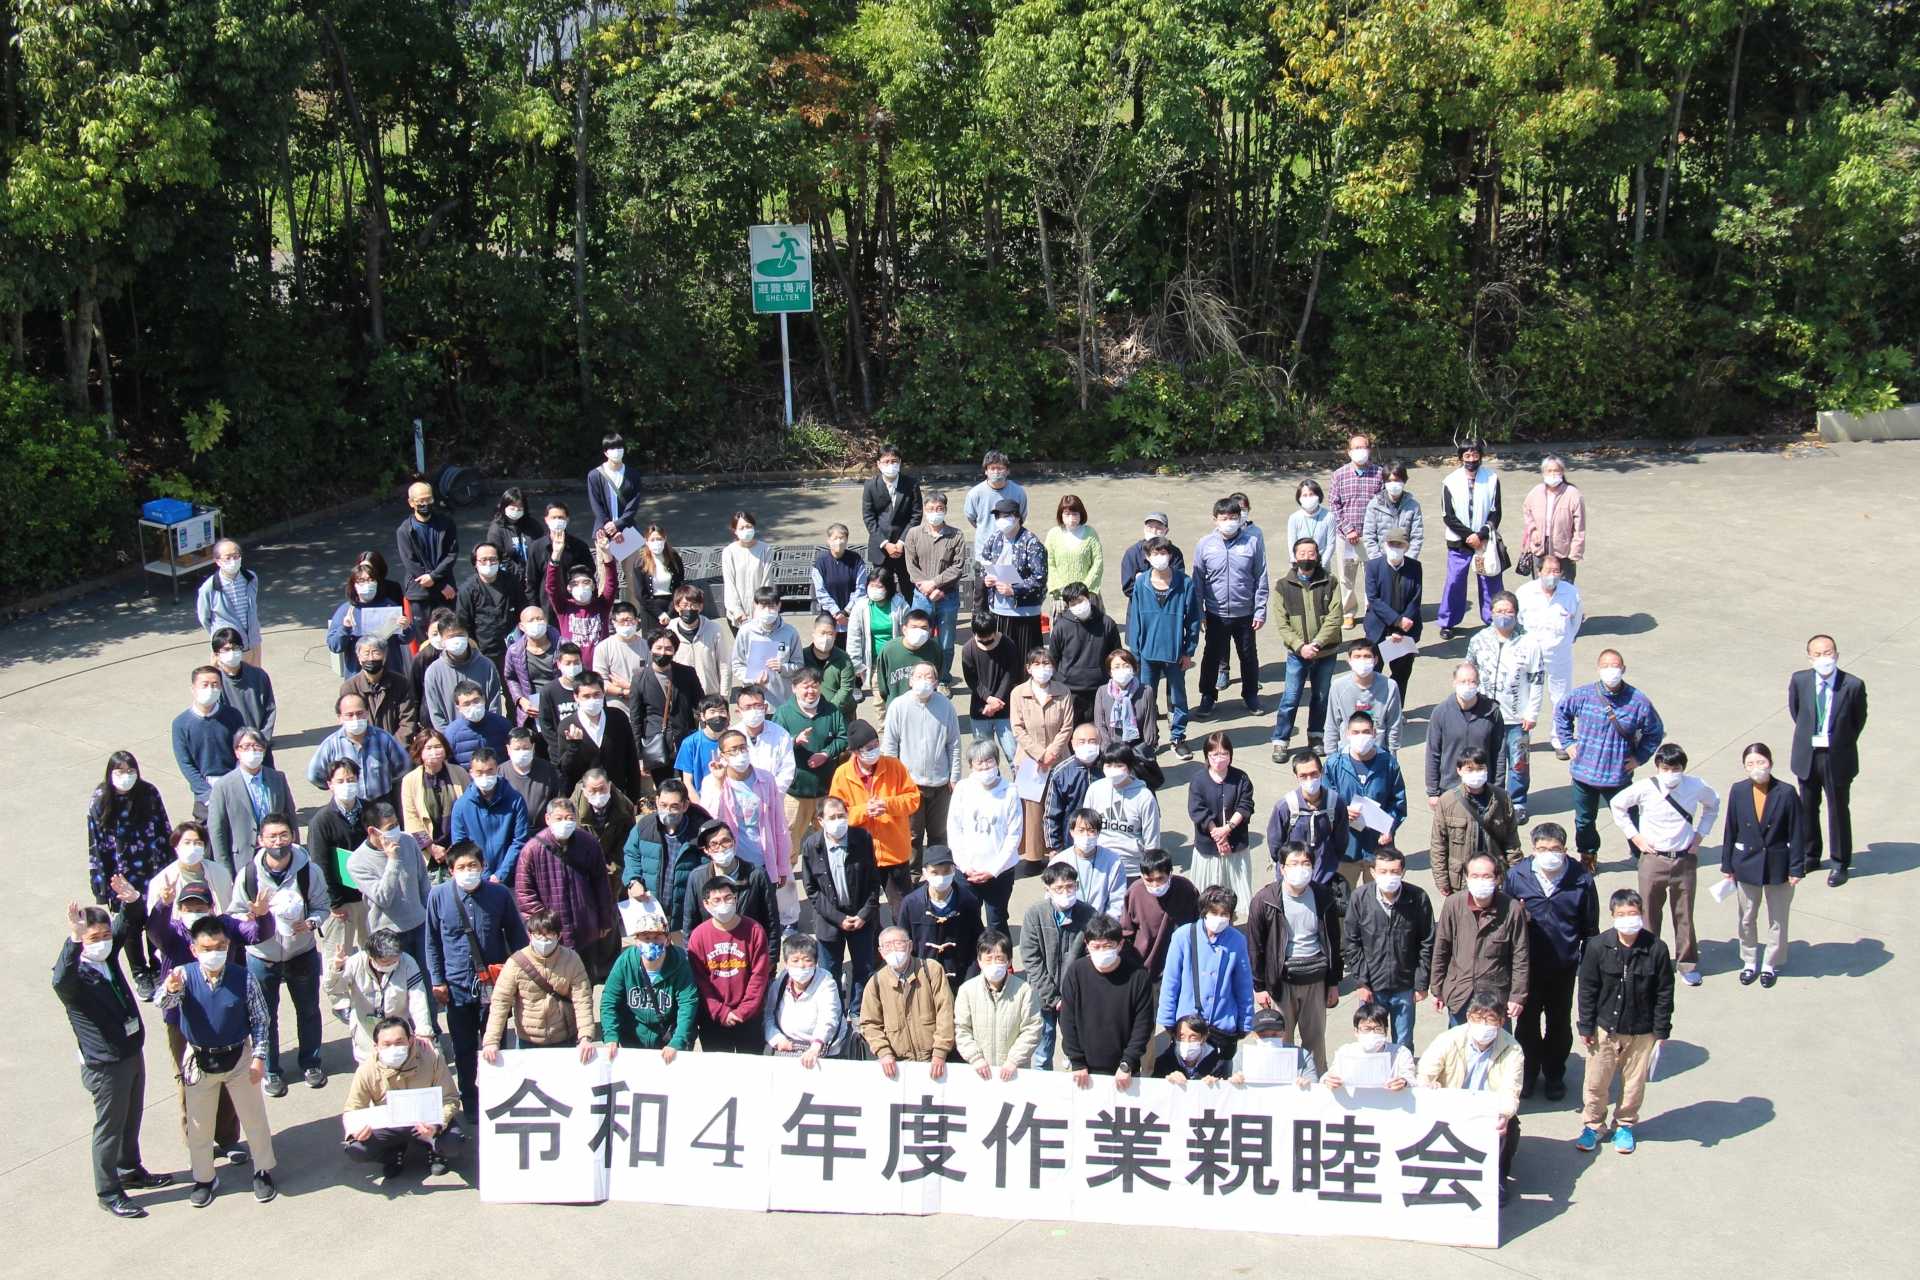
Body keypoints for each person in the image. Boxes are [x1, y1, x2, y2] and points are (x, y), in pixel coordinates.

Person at [55, 891, 173, 1217]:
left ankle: (130, 1168)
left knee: (131, 1117)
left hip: (131, 1052)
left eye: (105, 936)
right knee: (109, 1128)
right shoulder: (75, 976)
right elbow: (59, 980)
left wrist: (132, 900)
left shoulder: (106, 959)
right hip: (106, 1065)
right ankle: (108, 1191)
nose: (103, 942)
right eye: (95, 937)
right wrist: (74, 940)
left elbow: (127, 924)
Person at [157, 917, 280, 1206]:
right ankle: (204, 1177)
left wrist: (259, 1057)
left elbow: (261, 1019)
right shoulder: (181, 975)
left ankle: (262, 1169)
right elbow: (162, 1004)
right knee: (199, 1123)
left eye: (221, 946)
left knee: (254, 1117)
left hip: (239, 1056)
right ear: (194, 949)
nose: (215, 952)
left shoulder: (244, 977)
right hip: (199, 1059)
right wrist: (171, 990)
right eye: (208, 947)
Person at [228, 815, 330, 1096]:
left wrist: (311, 923)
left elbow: (323, 907)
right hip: (262, 956)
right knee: (265, 1016)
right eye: (272, 836)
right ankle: (271, 1071)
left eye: (283, 835)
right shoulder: (248, 875)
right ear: (261, 840)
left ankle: (311, 1062)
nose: (278, 842)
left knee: (308, 1010)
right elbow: (233, 914)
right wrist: (253, 917)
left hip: (302, 951)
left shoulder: (309, 871)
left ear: (292, 837)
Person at [424, 844, 528, 1118]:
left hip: (494, 986)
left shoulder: (499, 894)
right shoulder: (438, 896)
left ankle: (499, 1097)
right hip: (456, 986)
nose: (468, 872)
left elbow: (517, 938)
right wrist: (437, 980)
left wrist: (520, 977)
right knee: (464, 1048)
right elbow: (432, 941)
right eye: (461, 867)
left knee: (495, 1043)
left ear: (482, 867)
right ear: (450, 870)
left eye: (473, 866)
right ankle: (470, 1101)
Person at [1610, 742, 1720, 987]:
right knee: (1648, 914)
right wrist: (1635, 837)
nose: (1670, 773)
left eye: (1675, 768)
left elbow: (1713, 805)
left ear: (1683, 768)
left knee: (1684, 915)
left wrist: (1700, 835)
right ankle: (1649, 962)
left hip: (1684, 858)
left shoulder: (1696, 786)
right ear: (1658, 767)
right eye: (1665, 768)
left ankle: (1687, 964)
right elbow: (1618, 805)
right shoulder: (1645, 788)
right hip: (1653, 859)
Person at [1575, 890, 1675, 1156]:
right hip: (1604, 1028)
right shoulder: (1597, 946)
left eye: (1632, 914)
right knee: (1596, 1082)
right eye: (1621, 915)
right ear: (1612, 916)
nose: (1627, 919)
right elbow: (1587, 988)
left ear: (1641, 914)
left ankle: (1625, 1124)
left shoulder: (1657, 949)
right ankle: (1593, 1125)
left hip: (1642, 1031)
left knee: (1633, 1083)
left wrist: (1661, 1030)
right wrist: (1586, 1026)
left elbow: (1665, 991)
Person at [1505, 822, 1598, 1100]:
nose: (1549, 854)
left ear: (1565, 850)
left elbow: (1590, 928)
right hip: (1526, 968)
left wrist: (1588, 966)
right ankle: (1529, 1074)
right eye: (1543, 849)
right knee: (1527, 1025)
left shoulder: (1581, 878)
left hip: (1563, 967)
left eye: (1555, 849)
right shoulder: (1517, 876)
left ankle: (1555, 1074)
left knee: (1559, 1024)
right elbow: (1506, 921)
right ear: (1533, 850)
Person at [1557, 649, 1665, 870]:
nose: (1611, 670)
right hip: (1584, 774)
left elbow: (1655, 731)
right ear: (1598, 669)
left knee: (1630, 818)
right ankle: (1588, 856)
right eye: (1605, 666)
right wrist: (1567, 742)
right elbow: (1561, 713)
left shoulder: (1638, 701)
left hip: (1617, 776)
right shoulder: (1583, 695)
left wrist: (1640, 757)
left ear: (1623, 669)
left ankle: (1641, 853)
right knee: (1584, 821)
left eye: (1615, 666)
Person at [1417, 989, 1523, 1200]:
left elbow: (1512, 1089)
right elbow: (1425, 1071)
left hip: (1486, 1111)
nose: (1483, 1025)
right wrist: (1429, 1085)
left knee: (1509, 1128)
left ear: (1501, 1022)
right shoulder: (1449, 1039)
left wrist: (1504, 1113)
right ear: (1468, 1017)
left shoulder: (1513, 1049)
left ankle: (1498, 1177)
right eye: (1477, 1018)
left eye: (1490, 1019)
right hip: (1452, 1105)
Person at [1248, 843, 1343, 1073]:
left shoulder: (1323, 897)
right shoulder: (1265, 900)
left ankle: (1317, 1080)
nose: (1300, 868)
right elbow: (1255, 946)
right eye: (1294, 863)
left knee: (1315, 1040)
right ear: (1282, 868)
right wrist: (1259, 986)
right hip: (1281, 981)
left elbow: (1333, 941)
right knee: (1280, 1040)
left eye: (1306, 863)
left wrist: (1333, 982)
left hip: (1315, 979)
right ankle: (1281, 1083)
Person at [346, 805, 439, 1031]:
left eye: (397, 824)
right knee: (396, 993)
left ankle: (430, 1032)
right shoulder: (358, 862)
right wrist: (393, 860)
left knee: (425, 987)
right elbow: (382, 897)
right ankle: (400, 1036)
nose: (396, 831)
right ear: (372, 831)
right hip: (387, 935)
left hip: (418, 926)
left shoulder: (408, 842)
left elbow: (422, 882)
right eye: (389, 828)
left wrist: (430, 915)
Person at [87, 752, 172, 998]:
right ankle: (140, 973)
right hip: (122, 877)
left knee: (156, 921)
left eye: (130, 771)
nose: (126, 777)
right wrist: (103, 886)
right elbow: (96, 845)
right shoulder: (100, 800)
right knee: (131, 926)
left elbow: (164, 829)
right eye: (120, 772)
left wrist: (171, 868)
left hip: (152, 869)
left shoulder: (149, 793)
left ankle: (158, 967)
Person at [1721, 743, 1804, 986]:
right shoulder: (1738, 791)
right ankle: (1749, 960)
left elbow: (1797, 832)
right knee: (1746, 917)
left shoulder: (1786, 792)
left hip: (1778, 864)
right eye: (1750, 763)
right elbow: (1731, 829)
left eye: (1761, 762)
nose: (1756, 767)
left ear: (1770, 762)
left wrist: (1796, 868)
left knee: (1778, 918)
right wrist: (1727, 865)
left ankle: (1770, 963)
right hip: (1747, 864)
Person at [1788, 634, 1868, 886]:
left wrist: (1838, 740)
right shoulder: (1800, 680)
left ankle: (1839, 862)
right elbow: (1796, 711)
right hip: (1808, 755)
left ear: (1837, 654)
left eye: (1829, 652)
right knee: (1807, 808)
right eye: (1818, 654)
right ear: (1810, 657)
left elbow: (1857, 722)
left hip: (1837, 757)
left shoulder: (1853, 685)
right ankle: (1810, 856)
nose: (1824, 658)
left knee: (1837, 810)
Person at [341, 1015, 462, 1177]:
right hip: (389, 1124)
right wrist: (355, 1131)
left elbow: (450, 1098)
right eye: (387, 1044)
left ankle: (436, 1152)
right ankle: (391, 1155)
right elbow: (353, 1109)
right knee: (356, 1149)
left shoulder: (432, 1058)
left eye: (399, 1042)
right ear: (376, 1046)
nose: (393, 1048)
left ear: (410, 1041)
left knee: (454, 1142)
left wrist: (438, 1124)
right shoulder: (366, 1070)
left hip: (427, 1120)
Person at [513, 797, 618, 978]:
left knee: (584, 985)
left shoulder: (589, 844)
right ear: (547, 819)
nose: (565, 823)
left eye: (569, 818)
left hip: (585, 930)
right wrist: (545, 924)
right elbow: (525, 893)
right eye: (559, 818)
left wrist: (604, 920)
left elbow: (601, 885)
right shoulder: (532, 850)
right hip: (551, 936)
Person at [1342, 846, 1432, 1053]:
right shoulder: (1360, 898)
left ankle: (1402, 1080)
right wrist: (1362, 982)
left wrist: (1421, 982)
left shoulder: (1417, 898)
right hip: (1372, 986)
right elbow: (1351, 942)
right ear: (1373, 872)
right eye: (1383, 871)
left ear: (1402, 872)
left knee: (1404, 1044)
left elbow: (1427, 942)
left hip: (1405, 986)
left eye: (1394, 872)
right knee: (1371, 1042)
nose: (1388, 876)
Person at [699, 728, 795, 921]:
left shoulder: (766, 779)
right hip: (731, 864)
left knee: (764, 917)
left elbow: (778, 825)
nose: (739, 754)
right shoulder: (712, 782)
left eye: (742, 748)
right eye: (732, 750)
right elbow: (710, 821)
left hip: (762, 862)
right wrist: (718, 783)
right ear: (722, 755)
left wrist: (782, 865)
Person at [796, 795, 881, 1014]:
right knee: (829, 972)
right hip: (829, 921)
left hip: (861, 918)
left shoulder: (862, 839)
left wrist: (863, 914)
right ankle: (833, 1015)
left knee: (864, 969)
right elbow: (812, 890)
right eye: (832, 817)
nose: (838, 821)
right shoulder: (811, 846)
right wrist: (838, 918)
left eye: (841, 815)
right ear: (820, 821)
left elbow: (873, 883)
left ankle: (856, 1012)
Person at [1467, 592, 1546, 820]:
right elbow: (1469, 672)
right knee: (1486, 759)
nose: (1504, 616)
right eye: (1499, 611)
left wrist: (1532, 712)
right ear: (1491, 613)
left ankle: (1517, 801)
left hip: (1517, 716)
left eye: (1509, 611)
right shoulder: (1479, 640)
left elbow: (1537, 680)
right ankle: (1488, 799)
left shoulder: (1529, 642)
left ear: (1516, 613)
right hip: (1485, 714)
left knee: (1519, 762)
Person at [482, 908, 599, 1060]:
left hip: (564, 1038)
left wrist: (585, 1037)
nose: (544, 940)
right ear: (530, 935)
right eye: (539, 935)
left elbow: (583, 999)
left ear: (559, 936)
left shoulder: (571, 959)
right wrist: (491, 1041)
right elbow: (500, 1002)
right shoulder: (516, 963)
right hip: (528, 1041)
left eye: (549, 935)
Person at [1430, 851, 1531, 1028]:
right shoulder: (1454, 904)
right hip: (1460, 994)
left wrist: (1518, 996)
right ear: (1467, 878)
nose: (1480, 881)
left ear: (1497, 879)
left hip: (1496, 998)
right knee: (1459, 1049)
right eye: (1475, 876)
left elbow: (1520, 956)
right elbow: (1441, 949)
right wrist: (1437, 990)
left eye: (1486, 876)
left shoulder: (1512, 909)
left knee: (1499, 1050)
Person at [830, 721, 921, 911]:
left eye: (876, 745)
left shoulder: (894, 766)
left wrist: (888, 805)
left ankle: (904, 941)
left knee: (903, 908)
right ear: (855, 752)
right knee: (866, 911)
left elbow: (913, 799)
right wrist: (863, 811)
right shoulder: (842, 775)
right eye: (868, 748)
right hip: (860, 855)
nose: (874, 750)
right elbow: (835, 813)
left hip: (894, 853)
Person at [1124, 535, 1200, 755]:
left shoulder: (1184, 583)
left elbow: (1193, 619)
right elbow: (1135, 618)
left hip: (1175, 653)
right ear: (1147, 557)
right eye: (1155, 554)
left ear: (1171, 555)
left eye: (1164, 553)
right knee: (1146, 698)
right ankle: (1150, 738)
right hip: (1147, 653)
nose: (1160, 557)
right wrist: (1135, 652)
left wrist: (1188, 651)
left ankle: (1178, 737)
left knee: (1177, 697)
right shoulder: (1141, 583)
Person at [1192, 498, 1268, 715]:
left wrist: (1260, 609)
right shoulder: (1205, 544)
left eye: (1233, 518)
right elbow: (1197, 581)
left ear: (1240, 519)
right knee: (1211, 656)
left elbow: (1261, 576)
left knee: (1248, 655)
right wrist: (1199, 612)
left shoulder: (1251, 542)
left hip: (1245, 612)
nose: (1229, 522)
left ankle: (1251, 695)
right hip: (1215, 613)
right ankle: (1208, 696)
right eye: (1224, 518)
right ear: (1214, 520)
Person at [1157, 886, 1255, 1052]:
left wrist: (1245, 1023)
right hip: (1188, 1027)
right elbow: (1171, 981)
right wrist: (1168, 1020)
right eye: (1214, 913)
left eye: (1224, 914)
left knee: (1220, 1073)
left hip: (1222, 1026)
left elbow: (1243, 984)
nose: (1219, 918)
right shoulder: (1183, 936)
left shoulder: (1237, 940)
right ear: (1204, 912)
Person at [1059, 914, 1153, 1086]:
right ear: (1087, 945)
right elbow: (1066, 1019)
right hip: (1084, 1070)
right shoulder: (1076, 973)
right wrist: (1077, 1061)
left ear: (1120, 945)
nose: (1102, 951)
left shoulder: (1138, 977)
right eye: (1096, 946)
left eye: (1108, 946)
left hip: (1124, 1071)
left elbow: (1143, 1025)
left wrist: (1128, 1063)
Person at [882, 660, 964, 854]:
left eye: (929, 677)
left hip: (940, 784)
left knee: (939, 834)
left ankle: (940, 874)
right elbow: (890, 746)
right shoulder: (898, 706)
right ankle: (912, 876)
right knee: (912, 835)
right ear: (910, 681)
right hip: (910, 785)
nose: (923, 681)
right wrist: (894, 780)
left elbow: (954, 744)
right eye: (919, 676)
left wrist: (954, 777)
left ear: (936, 683)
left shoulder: (946, 706)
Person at [1270, 536, 1340, 758]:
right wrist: (1300, 647)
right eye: (1302, 554)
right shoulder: (1283, 586)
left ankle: (1316, 735)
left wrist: (1317, 643)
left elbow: (1335, 615)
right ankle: (1281, 739)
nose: (1307, 558)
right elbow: (1283, 623)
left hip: (1325, 651)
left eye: (1311, 554)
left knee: (1320, 696)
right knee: (1290, 697)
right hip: (1297, 654)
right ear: (1295, 556)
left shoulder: (1331, 582)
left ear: (1317, 556)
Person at [1019, 862, 1093, 1070]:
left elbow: (1090, 958)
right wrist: (1052, 997)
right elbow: (1031, 958)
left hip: (1076, 999)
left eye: (1070, 887)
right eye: (1059, 888)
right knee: (1042, 1054)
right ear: (1047, 889)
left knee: (1077, 1054)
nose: (1065, 892)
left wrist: (1071, 995)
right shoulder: (1035, 914)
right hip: (1042, 998)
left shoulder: (1089, 914)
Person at [599, 901, 700, 1053]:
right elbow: (609, 1000)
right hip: (634, 1037)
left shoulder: (680, 963)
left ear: (667, 940)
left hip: (668, 1036)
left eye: (657, 937)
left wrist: (677, 1041)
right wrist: (611, 1036)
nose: (651, 943)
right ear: (636, 941)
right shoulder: (625, 962)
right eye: (646, 938)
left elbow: (688, 1003)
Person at [686, 875, 771, 1052]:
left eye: (727, 898)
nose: (723, 904)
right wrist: (721, 1012)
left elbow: (759, 976)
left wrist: (743, 1011)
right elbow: (701, 982)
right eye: (716, 900)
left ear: (736, 899)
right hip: (713, 1019)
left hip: (749, 1018)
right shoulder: (699, 936)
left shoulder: (754, 930)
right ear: (706, 904)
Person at [323, 928, 431, 1065]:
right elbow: (333, 988)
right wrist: (336, 970)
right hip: (366, 1033)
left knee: (402, 1066)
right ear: (371, 956)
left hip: (398, 1030)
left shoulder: (407, 962)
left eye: (395, 961)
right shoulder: (355, 963)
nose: (392, 965)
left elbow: (418, 998)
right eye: (386, 963)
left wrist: (423, 1030)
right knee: (371, 1072)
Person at [1324, 711, 1407, 887]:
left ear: (1374, 733)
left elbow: (1398, 802)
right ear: (1347, 734)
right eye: (1356, 732)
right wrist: (1341, 812)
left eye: (1366, 732)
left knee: (1377, 902)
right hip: (1345, 848)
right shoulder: (1334, 764)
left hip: (1378, 848)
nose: (1361, 737)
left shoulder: (1388, 763)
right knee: (1343, 904)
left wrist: (1390, 828)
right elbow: (1324, 801)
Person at [946, 742, 1023, 932]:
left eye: (988, 761)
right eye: (978, 763)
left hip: (1000, 872)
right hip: (967, 871)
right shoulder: (963, 789)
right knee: (967, 918)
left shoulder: (1010, 791)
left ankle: (1000, 958)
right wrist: (965, 866)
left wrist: (993, 870)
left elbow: (1014, 835)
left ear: (997, 762)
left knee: (997, 919)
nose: (984, 767)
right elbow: (954, 830)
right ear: (971, 765)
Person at [619, 779, 711, 937]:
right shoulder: (644, 827)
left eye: (674, 806)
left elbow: (707, 869)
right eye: (663, 805)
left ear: (685, 805)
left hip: (685, 914)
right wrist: (633, 880)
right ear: (656, 801)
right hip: (651, 910)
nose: (667, 810)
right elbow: (631, 854)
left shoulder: (699, 834)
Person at [858, 926, 953, 1078]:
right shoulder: (876, 982)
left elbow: (946, 1012)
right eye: (887, 946)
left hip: (934, 1060)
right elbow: (869, 1024)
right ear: (881, 952)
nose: (894, 950)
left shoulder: (931, 970)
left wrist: (940, 1052)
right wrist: (884, 1052)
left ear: (910, 946)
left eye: (898, 943)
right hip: (898, 1066)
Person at [1515, 554, 1584, 758]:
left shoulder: (1571, 593)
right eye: (1548, 571)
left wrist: (1565, 640)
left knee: (1561, 697)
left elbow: (1576, 622)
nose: (1552, 576)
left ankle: (1560, 739)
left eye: (1556, 572)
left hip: (1559, 652)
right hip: (1530, 653)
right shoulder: (1525, 593)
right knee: (1524, 694)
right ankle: (1521, 736)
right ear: (1539, 572)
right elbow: (1517, 621)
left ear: (1562, 573)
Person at [1011, 646, 1074, 868]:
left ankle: (1058, 850)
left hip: (1060, 759)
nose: (1042, 668)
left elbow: (1067, 727)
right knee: (1032, 808)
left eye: (1046, 664)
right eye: (1037, 664)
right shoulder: (1018, 693)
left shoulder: (1063, 691)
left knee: (1059, 805)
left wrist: (1051, 753)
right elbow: (1018, 728)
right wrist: (1039, 754)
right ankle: (1033, 855)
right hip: (1029, 760)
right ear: (1028, 668)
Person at [1430, 747, 1522, 897]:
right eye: (1470, 769)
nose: (1476, 773)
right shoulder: (1447, 801)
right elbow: (1438, 844)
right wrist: (1442, 880)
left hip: (1494, 877)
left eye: (1480, 768)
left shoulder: (1502, 798)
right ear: (1459, 770)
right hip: (1461, 881)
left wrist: (1516, 875)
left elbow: (1512, 840)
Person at [1436, 437, 1503, 639]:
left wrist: (1482, 534)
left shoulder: (1492, 478)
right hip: (1460, 542)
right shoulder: (1449, 481)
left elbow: (1496, 511)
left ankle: (1493, 620)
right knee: (1455, 581)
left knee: (1489, 580)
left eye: (1475, 455)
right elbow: (1448, 515)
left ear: (1481, 456)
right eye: (1467, 455)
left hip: (1484, 543)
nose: (1471, 459)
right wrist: (1469, 536)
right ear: (1460, 458)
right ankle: (1448, 622)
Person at [774, 666, 846, 852]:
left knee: (829, 840)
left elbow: (843, 738)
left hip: (826, 789)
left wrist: (826, 753)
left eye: (815, 686)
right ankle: (787, 878)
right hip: (795, 791)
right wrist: (794, 741)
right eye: (805, 686)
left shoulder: (831, 711)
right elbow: (773, 745)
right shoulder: (783, 713)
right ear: (794, 688)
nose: (810, 691)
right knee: (790, 840)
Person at [205, 726, 293, 872]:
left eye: (257, 746)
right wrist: (224, 870)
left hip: (276, 854)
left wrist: (292, 849)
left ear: (264, 751)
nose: (252, 751)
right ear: (237, 752)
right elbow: (217, 830)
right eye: (245, 747)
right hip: (242, 860)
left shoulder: (277, 778)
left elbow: (290, 816)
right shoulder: (224, 786)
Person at [954, 930, 1041, 1078]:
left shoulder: (1024, 991)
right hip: (979, 1072)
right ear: (979, 961)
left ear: (1009, 961)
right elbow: (962, 1029)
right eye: (988, 959)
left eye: (999, 958)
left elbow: (1032, 1028)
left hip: (1014, 1073)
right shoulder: (967, 991)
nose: (994, 963)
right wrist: (976, 1058)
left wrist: (1013, 1061)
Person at [306, 691, 410, 811]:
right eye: (349, 715)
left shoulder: (383, 738)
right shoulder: (331, 745)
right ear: (339, 718)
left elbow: (404, 765)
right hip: (348, 806)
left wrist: (386, 781)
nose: (355, 718)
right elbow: (313, 775)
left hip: (381, 805)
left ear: (367, 713)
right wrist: (335, 786)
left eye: (359, 713)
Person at [1425, 660, 1506, 813]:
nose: (1468, 686)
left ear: (1478, 683)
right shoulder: (1441, 713)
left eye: (1472, 681)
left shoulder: (1492, 712)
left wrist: (1498, 787)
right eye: (1463, 681)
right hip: (1450, 789)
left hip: (1483, 787)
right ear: (1454, 683)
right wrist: (1433, 792)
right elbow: (1433, 752)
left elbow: (1499, 751)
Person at [678, 819, 780, 939]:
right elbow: (690, 922)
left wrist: (771, 957)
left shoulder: (756, 875)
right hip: (712, 951)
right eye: (714, 844)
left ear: (734, 842)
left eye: (725, 841)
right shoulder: (697, 878)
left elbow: (771, 920)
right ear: (706, 850)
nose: (721, 848)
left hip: (749, 947)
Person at [897, 849, 983, 991]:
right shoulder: (911, 904)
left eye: (946, 871)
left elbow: (978, 942)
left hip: (960, 980)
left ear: (954, 870)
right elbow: (903, 944)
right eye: (935, 872)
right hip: (922, 981)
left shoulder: (968, 901)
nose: (941, 877)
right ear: (924, 872)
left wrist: (970, 980)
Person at [1186, 732, 1254, 906]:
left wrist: (1227, 829)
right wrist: (1216, 833)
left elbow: (1245, 806)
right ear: (1207, 756)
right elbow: (1197, 809)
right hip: (1208, 847)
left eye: (1224, 753)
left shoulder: (1241, 778)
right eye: (1214, 754)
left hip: (1235, 846)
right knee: (1208, 900)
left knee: (1233, 898)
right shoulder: (1198, 780)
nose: (1219, 758)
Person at [905, 490, 967, 681]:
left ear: (945, 510)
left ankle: (943, 678)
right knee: (919, 638)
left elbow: (958, 567)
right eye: (931, 508)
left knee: (946, 643)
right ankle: (920, 677)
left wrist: (936, 585)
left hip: (947, 596)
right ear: (924, 510)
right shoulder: (914, 533)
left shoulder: (956, 535)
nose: (935, 512)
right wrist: (926, 587)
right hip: (921, 596)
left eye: (939, 508)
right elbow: (911, 565)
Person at [1266, 750, 1349, 890]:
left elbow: (1341, 841)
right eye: (1303, 776)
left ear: (1321, 772)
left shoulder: (1335, 803)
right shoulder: (1286, 806)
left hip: (1324, 878)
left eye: (1314, 774)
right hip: (1291, 881)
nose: (1309, 779)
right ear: (1296, 777)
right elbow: (1275, 845)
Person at [978, 496, 1048, 658]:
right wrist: (986, 577)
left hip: (1024, 612)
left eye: (1005, 516)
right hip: (998, 609)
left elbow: (1040, 577)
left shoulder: (1031, 542)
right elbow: (983, 563)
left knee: (1025, 658)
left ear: (1017, 517)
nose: (1001, 520)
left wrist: (1014, 589)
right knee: (1003, 657)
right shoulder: (995, 538)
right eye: (998, 516)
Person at [173, 666, 245, 820]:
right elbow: (185, 763)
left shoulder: (233, 715)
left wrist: (237, 779)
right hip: (204, 792)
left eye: (215, 685)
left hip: (234, 782)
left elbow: (243, 749)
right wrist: (206, 792)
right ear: (193, 689)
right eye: (205, 685)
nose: (210, 689)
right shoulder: (181, 724)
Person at [1363, 523, 1423, 704]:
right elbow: (1373, 599)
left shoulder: (1415, 567)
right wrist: (1396, 620)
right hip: (1379, 630)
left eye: (1399, 545)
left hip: (1406, 630)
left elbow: (1415, 598)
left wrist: (1402, 627)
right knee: (1372, 672)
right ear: (1384, 545)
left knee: (1402, 674)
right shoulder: (1373, 567)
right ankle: (1372, 708)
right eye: (1392, 545)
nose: (1395, 549)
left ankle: (1397, 708)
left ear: (1406, 547)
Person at [1080, 744, 1160, 879]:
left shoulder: (1144, 796)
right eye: (1108, 765)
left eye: (1119, 766)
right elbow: (1086, 826)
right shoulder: (1095, 790)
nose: (1113, 770)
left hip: (1132, 869)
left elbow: (1152, 839)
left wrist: (1150, 870)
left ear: (1129, 767)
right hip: (1099, 866)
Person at [1327, 433, 1384, 625]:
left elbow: (1381, 505)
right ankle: (1348, 612)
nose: (1360, 451)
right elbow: (1334, 506)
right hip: (1346, 537)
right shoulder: (1339, 475)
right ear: (1349, 451)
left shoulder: (1378, 473)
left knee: (1373, 575)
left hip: (1371, 537)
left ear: (1370, 449)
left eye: (1364, 447)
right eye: (1356, 448)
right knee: (1346, 577)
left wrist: (1369, 531)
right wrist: (1348, 529)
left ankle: (1373, 609)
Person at [557, 671, 640, 799]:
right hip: (584, 800)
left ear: (603, 693)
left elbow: (631, 760)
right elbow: (565, 770)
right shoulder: (567, 725)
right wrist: (574, 746)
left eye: (597, 695)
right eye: (586, 696)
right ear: (576, 697)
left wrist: (633, 798)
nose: (592, 700)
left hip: (617, 797)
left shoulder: (618, 718)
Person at [762, 932, 844, 1062]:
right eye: (795, 960)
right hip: (787, 1045)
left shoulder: (826, 983)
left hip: (822, 1048)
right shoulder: (781, 981)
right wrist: (776, 1038)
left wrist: (816, 1045)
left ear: (816, 962)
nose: (801, 965)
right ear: (786, 963)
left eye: (807, 960)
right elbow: (769, 1015)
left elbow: (829, 1017)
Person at [328, 552, 414, 676]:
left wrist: (405, 628)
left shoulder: (389, 606)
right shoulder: (346, 610)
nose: (367, 584)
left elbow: (406, 639)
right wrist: (345, 628)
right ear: (354, 585)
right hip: (357, 676)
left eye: (370, 580)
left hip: (390, 675)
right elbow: (335, 646)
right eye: (361, 581)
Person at [1121, 851, 1200, 981]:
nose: (1155, 885)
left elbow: (1198, 923)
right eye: (1149, 880)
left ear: (1170, 874)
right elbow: (1126, 931)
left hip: (1181, 962)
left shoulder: (1186, 889)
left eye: (1160, 879)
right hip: (1144, 965)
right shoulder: (1135, 892)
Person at [400, 729, 469, 878]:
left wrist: (455, 845)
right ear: (420, 751)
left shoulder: (460, 773)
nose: (434, 752)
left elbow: (470, 809)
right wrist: (431, 847)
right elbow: (411, 819)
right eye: (428, 748)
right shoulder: (410, 781)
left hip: (458, 848)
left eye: (438, 746)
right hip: (429, 853)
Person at [545, 539, 620, 671]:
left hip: (600, 669)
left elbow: (612, 583)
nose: (581, 586)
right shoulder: (564, 608)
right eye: (575, 583)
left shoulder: (602, 605)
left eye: (586, 582)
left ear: (592, 586)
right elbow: (551, 587)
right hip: (572, 668)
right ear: (568, 588)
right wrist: (556, 556)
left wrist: (607, 554)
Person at [1321, 640, 1404, 757]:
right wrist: (1331, 756)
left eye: (1367, 656)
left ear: (1375, 660)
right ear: (1349, 661)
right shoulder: (1338, 686)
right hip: (1346, 753)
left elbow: (1394, 723)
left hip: (1379, 751)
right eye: (1357, 657)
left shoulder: (1389, 686)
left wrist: (1392, 753)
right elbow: (1332, 723)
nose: (1362, 660)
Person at [862, 443, 922, 600]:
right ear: (878, 464)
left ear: (900, 462)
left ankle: (910, 619)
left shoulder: (911, 484)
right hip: (881, 548)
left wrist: (902, 542)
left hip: (905, 547)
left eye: (894, 461)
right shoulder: (870, 486)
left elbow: (916, 516)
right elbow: (869, 517)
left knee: (909, 589)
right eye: (886, 461)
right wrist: (885, 543)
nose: (890, 465)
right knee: (882, 589)